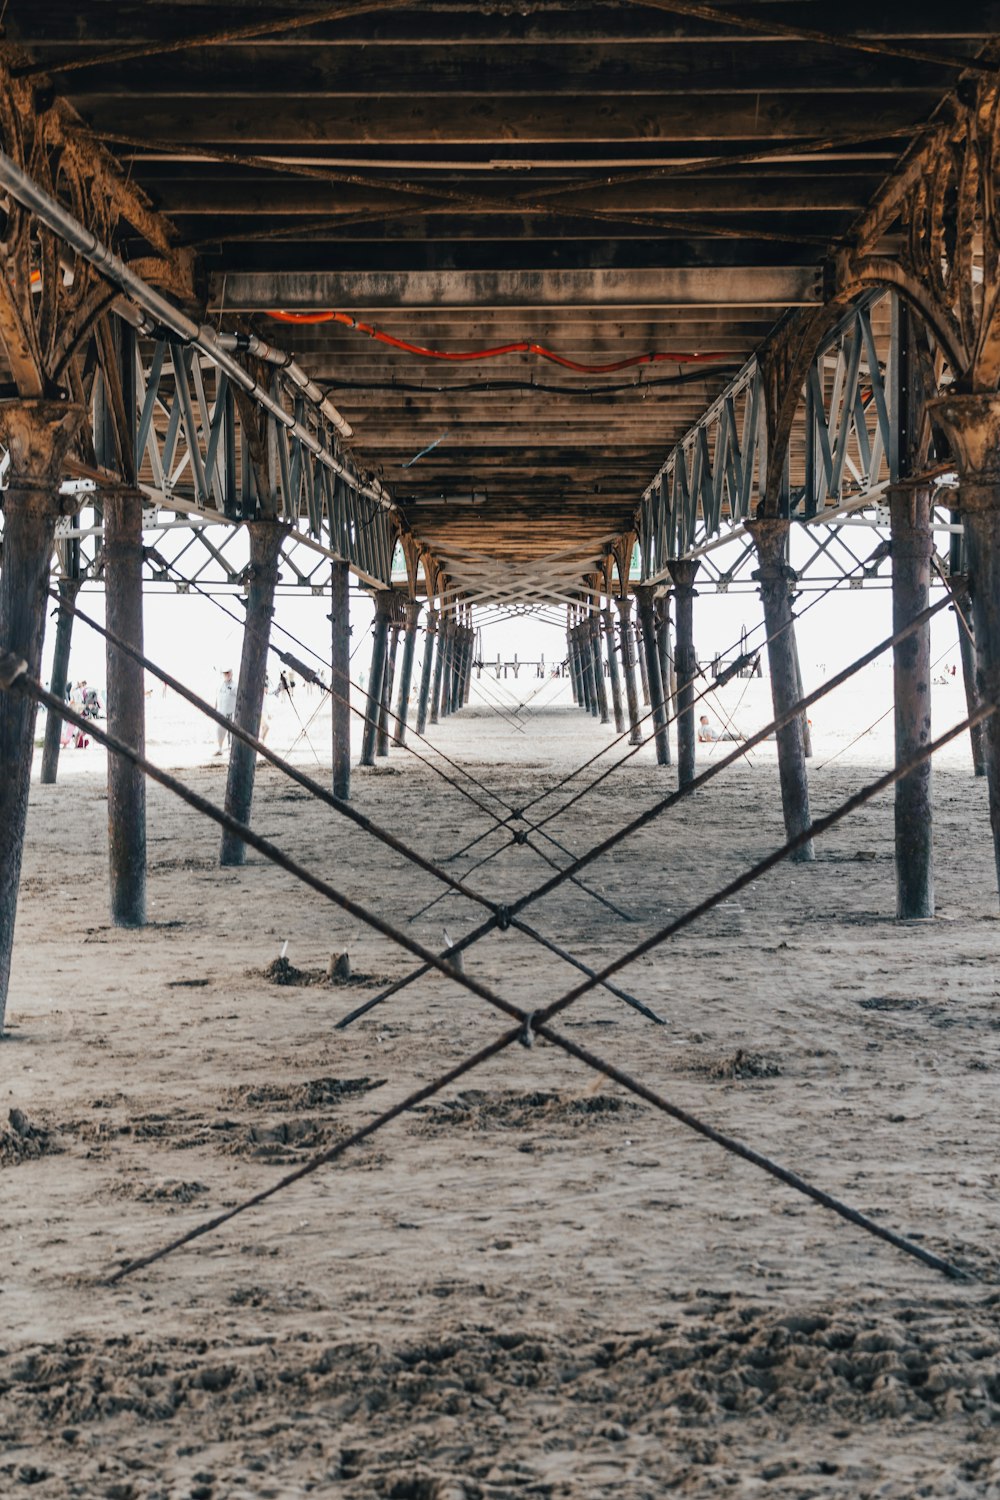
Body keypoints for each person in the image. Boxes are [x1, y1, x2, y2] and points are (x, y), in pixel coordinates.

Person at [215, 668, 237, 755]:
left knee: (231, 734)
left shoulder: (235, 685)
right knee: (219, 731)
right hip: (221, 712)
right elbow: (217, 697)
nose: (227, 675)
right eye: (225, 673)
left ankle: (231, 749)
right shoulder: (220, 685)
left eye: (228, 673)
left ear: (231, 673)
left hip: (231, 712)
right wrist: (215, 708)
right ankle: (220, 749)